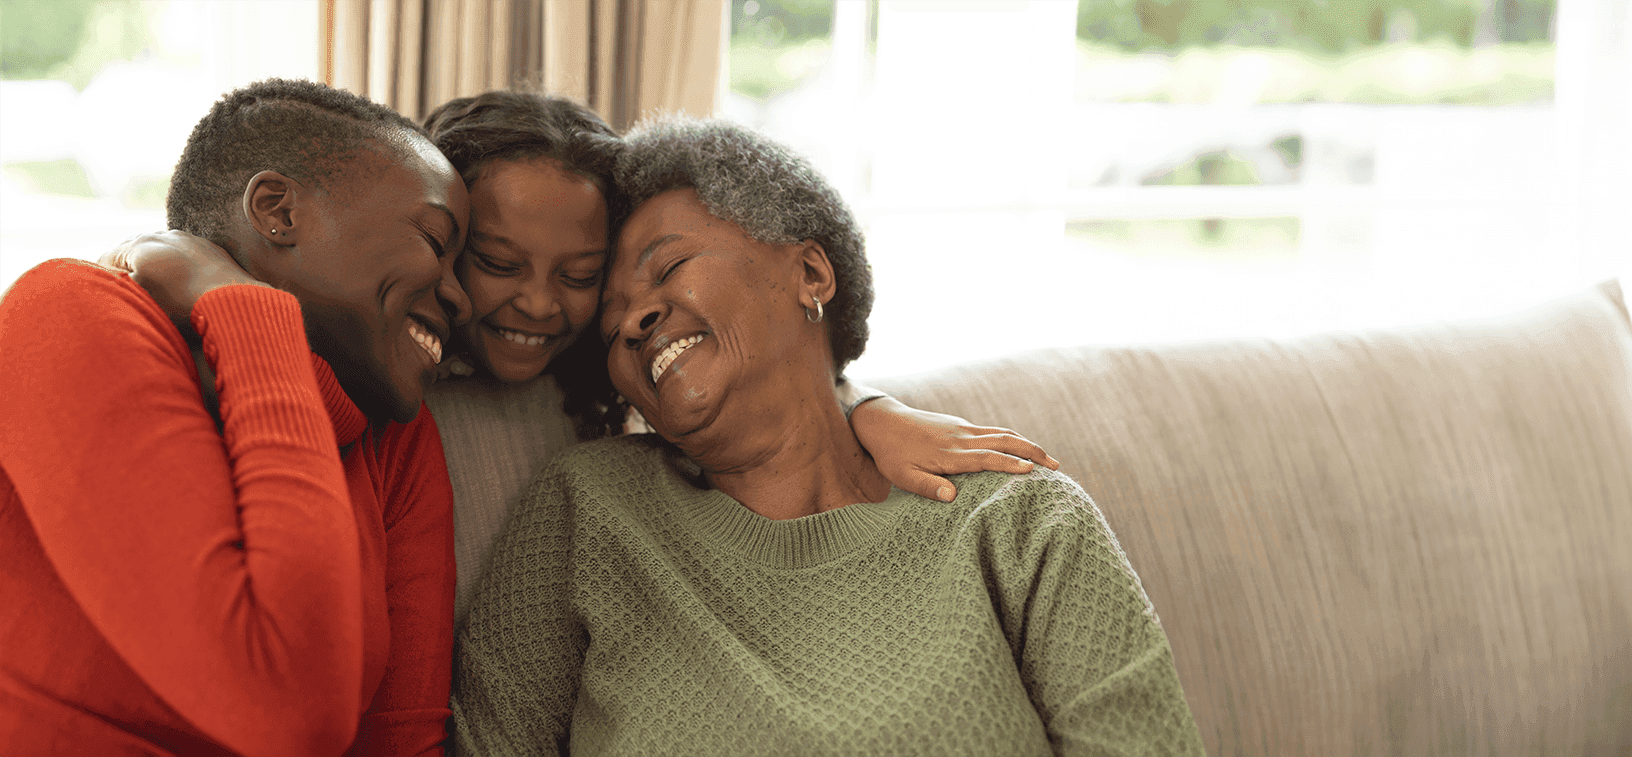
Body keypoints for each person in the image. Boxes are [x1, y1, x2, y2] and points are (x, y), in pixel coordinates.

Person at [452, 118, 1204, 754]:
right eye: (612, 317)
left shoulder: (1019, 519)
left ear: (811, 272)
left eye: (669, 267)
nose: (633, 319)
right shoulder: (588, 508)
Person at [414, 91, 1061, 625]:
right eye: (497, 264)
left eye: (582, 276)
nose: (538, 302)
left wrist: (863, 410)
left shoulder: (599, 364)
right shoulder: (399, 356)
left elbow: (756, 370)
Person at [0, 79, 465, 755]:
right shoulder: (68, 314)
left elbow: (402, 743)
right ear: (278, 210)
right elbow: (284, 707)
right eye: (434, 238)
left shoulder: (397, 439)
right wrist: (245, 312)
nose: (461, 297)